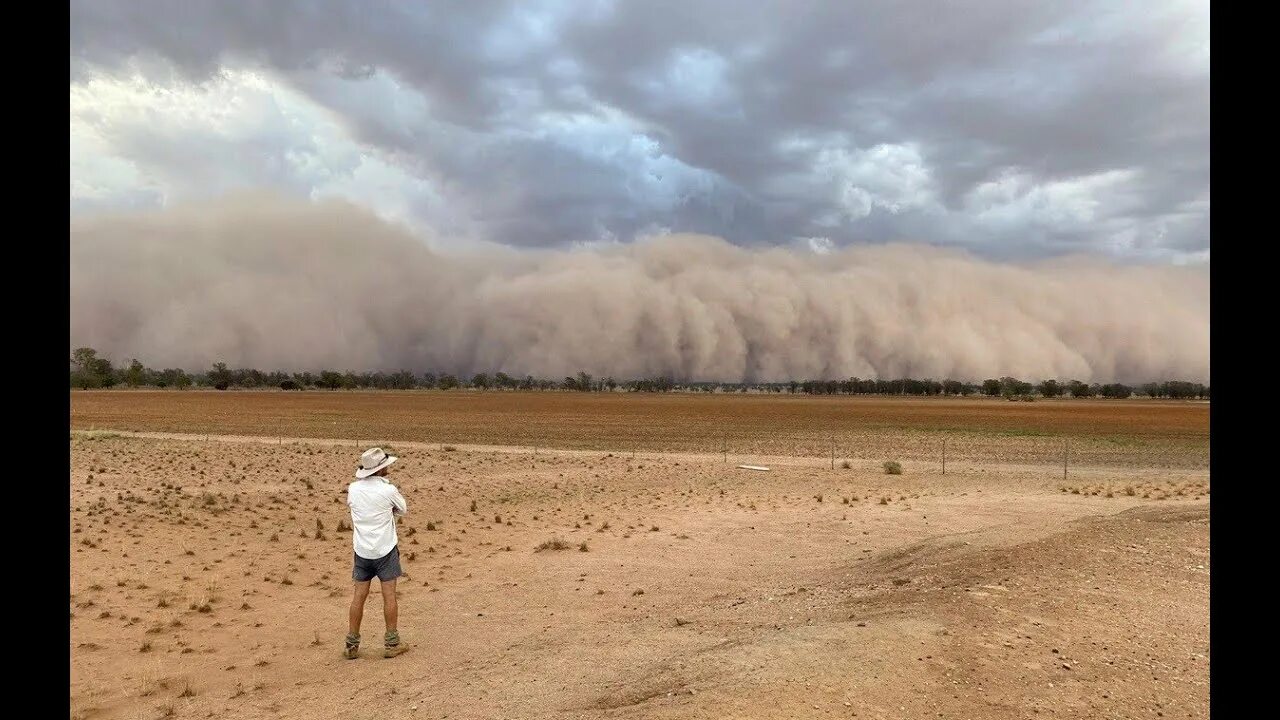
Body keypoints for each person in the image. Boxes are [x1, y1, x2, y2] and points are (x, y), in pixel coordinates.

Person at [344, 447, 409, 659]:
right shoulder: (388, 490)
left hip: (362, 550)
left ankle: (351, 645)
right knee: (389, 595)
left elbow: (353, 508)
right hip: (385, 549)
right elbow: (402, 509)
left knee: (358, 596)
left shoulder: (353, 489)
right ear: (381, 469)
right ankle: (392, 643)